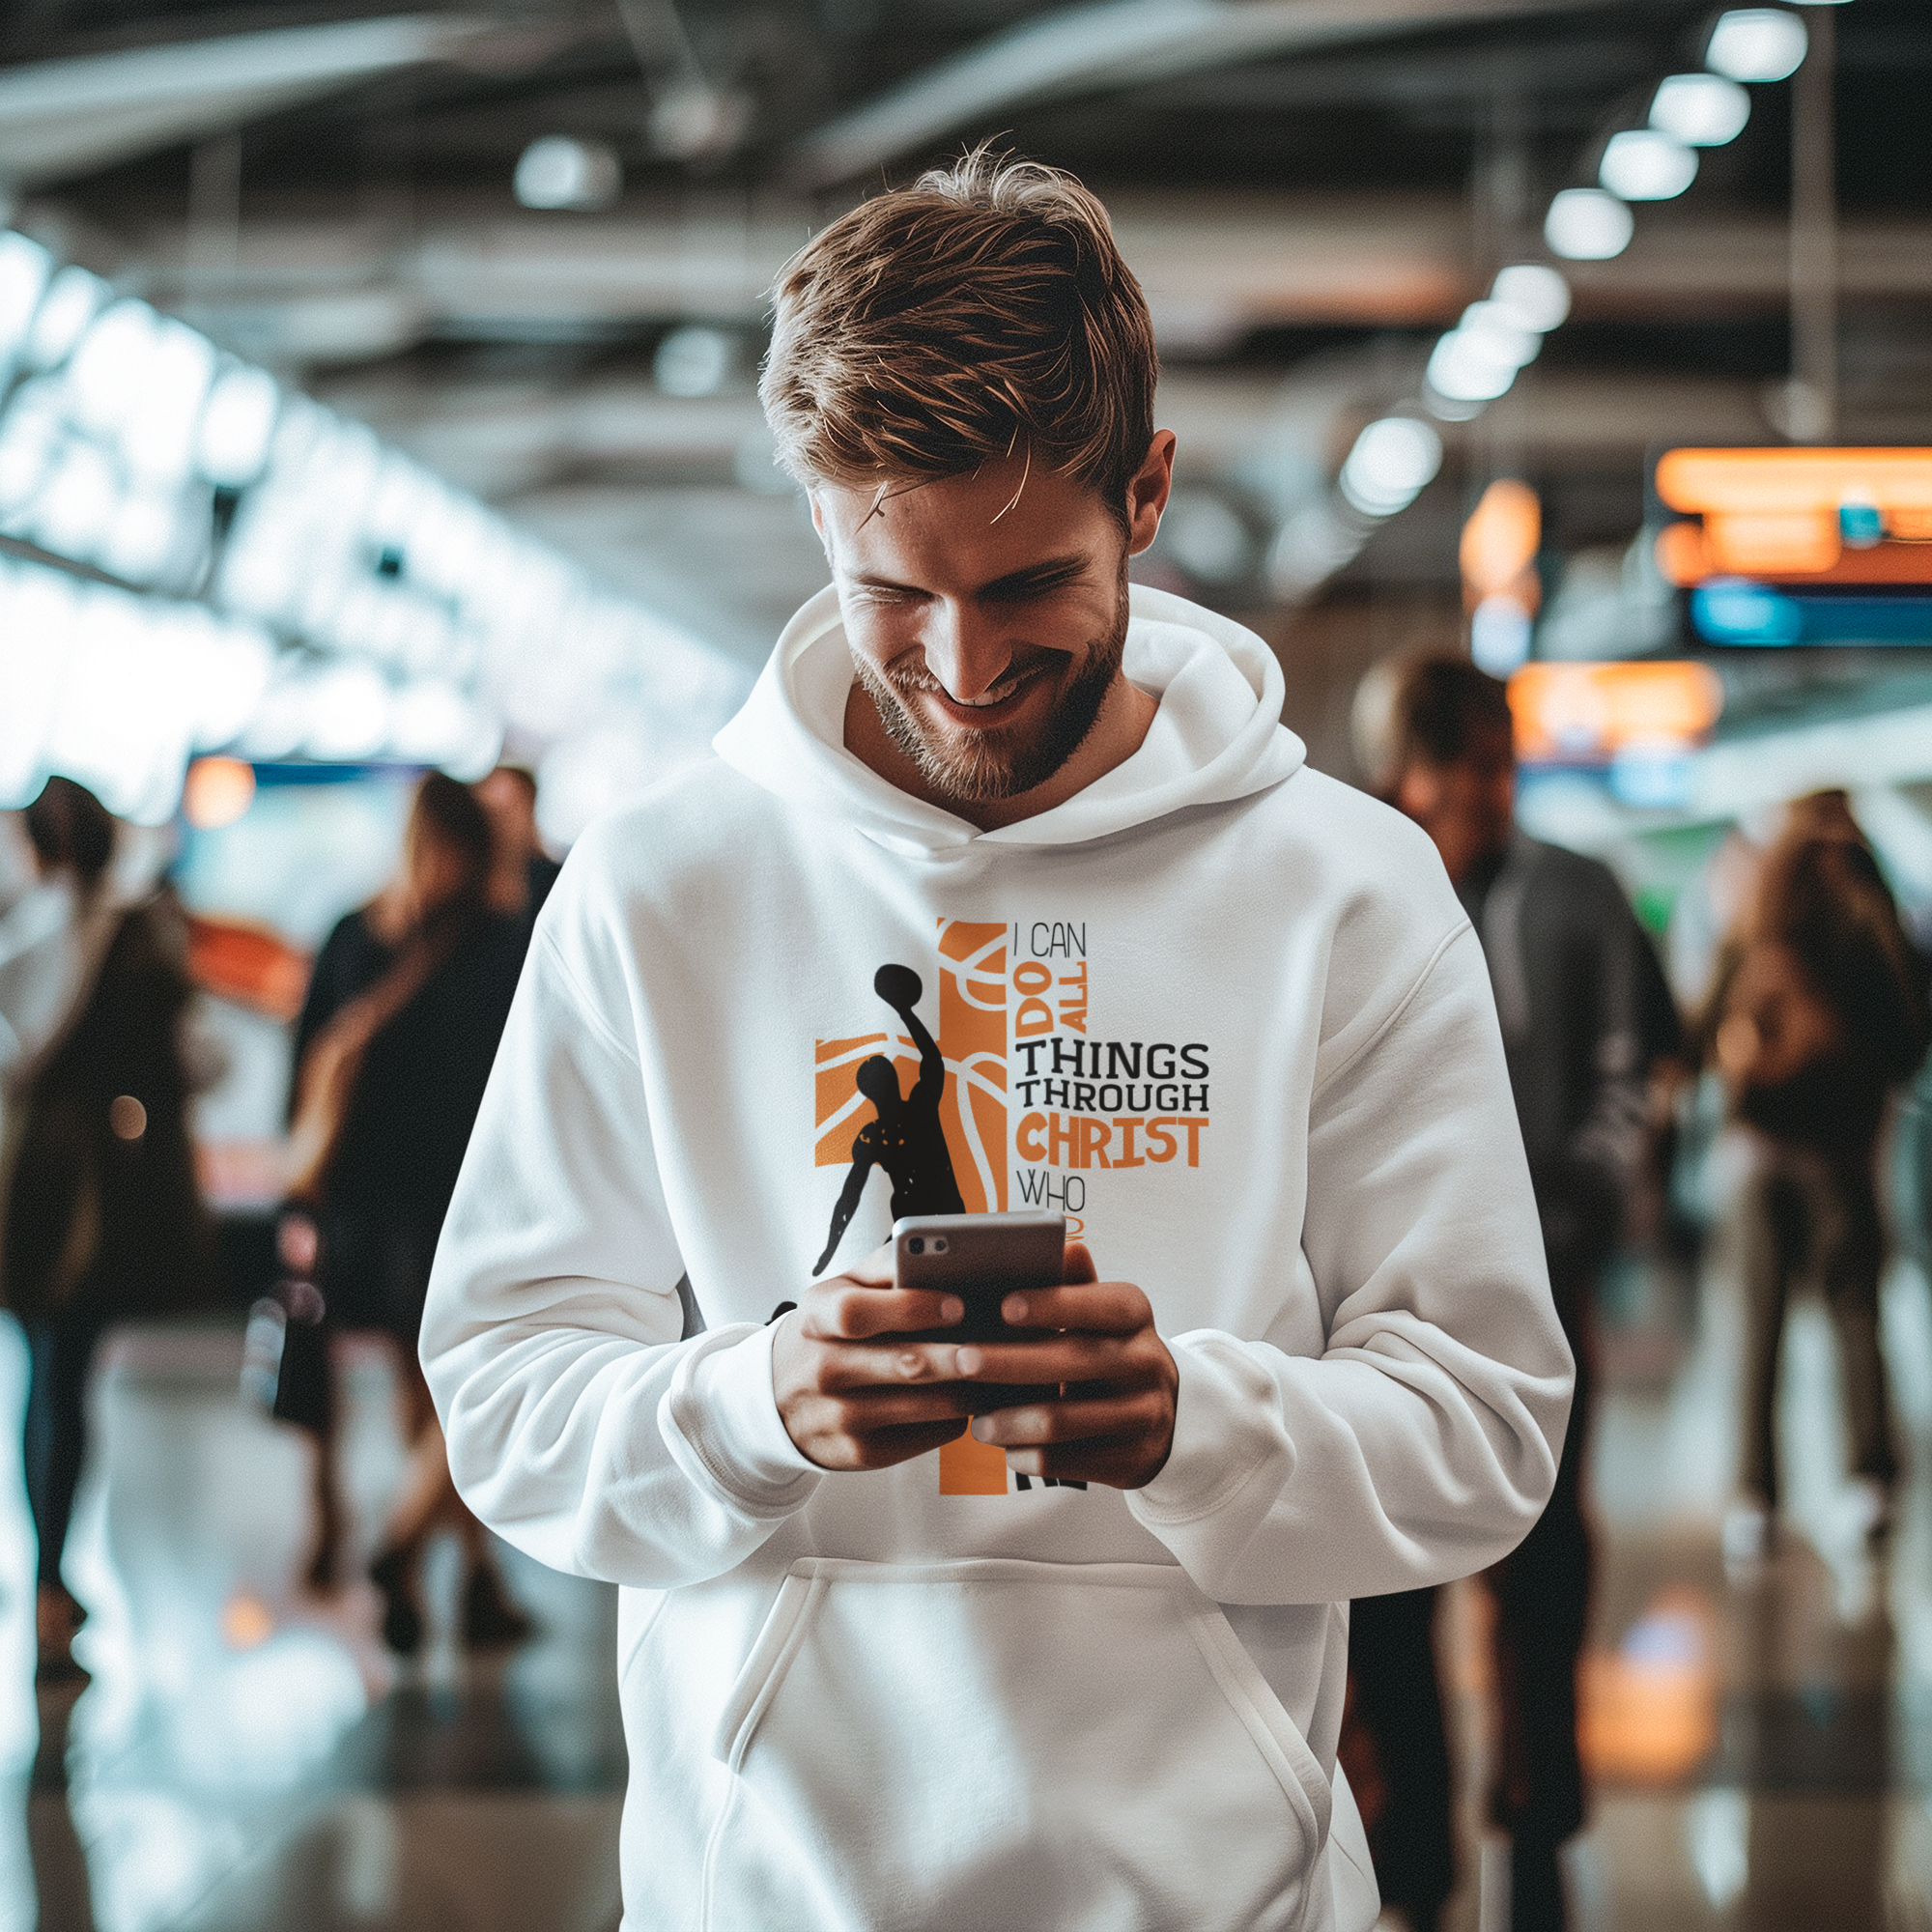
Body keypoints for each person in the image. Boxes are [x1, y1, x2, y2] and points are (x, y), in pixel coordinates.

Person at [421, 151, 1571, 1932]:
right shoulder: (661, 889)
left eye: (1031, 581)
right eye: (898, 591)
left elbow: (1485, 1428)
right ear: (819, 517)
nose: (960, 665)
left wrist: (1199, 1421)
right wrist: (751, 1407)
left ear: (1151, 492)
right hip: (766, 1895)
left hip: (1222, 1898)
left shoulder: (1344, 891)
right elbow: (503, 1393)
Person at [1345, 656, 1681, 1932]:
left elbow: (1629, 1071)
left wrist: (1567, 1227)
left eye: (1495, 768)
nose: (1480, 797)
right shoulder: (1354, 894)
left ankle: (1536, 1824)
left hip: (1539, 1293)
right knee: (1385, 1581)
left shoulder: (1578, 896)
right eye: (1453, 772)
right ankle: (1411, 1846)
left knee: (1541, 1569)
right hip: (1375, 1310)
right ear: (1399, 777)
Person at [289, 774, 529, 1651]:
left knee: (424, 1394)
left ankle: (463, 1579)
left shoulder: (354, 936)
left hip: (363, 1206)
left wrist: (299, 1197)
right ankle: (406, 1551)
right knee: (469, 1401)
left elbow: (305, 1065)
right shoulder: (502, 943)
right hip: (459, 1206)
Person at [0, 779, 213, 1677]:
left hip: (32, 1183)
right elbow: (198, 1055)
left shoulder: (35, 932)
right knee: (64, 1377)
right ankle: (52, 1578)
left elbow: (20, 1048)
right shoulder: (141, 930)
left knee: (44, 1375)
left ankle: (49, 1575)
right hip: (108, 1189)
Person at [1705, 795, 1928, 1554]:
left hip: (1759, 1154)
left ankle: (1755, 1499)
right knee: (1855, 1315)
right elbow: (1907, 1037)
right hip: (1842, 1155)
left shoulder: (1763, 908)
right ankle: (1870, 1481)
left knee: (1755, 1325)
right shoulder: (1868, 908)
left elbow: (1707, 1022)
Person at [472, 764, 559, 927]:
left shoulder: (555, 882)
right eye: (493, 813)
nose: (500, 825)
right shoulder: (467, 888)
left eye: (509, 811)